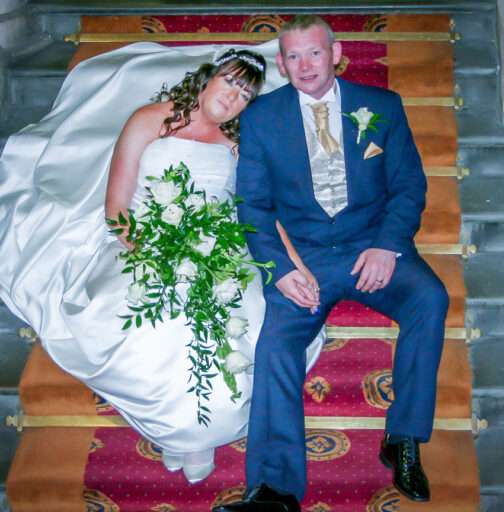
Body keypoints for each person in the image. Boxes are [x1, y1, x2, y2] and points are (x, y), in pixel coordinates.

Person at [0, 46, 324, 484]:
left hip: (221, 248)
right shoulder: (150, 118)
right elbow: (116, 207)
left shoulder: (237, 142)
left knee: (238, 321)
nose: (233, 97)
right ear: (208, 76)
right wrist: (152, 252)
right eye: (230, 82)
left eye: (245, 95)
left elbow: (261, 211)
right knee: (159, 318)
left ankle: (191, 436)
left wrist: (296, 266)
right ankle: (187, 438)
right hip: (143, 244)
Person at [214, 15, 449, 512]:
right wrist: (281, 269)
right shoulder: (262, 118)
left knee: (430, 297)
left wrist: (388, 244)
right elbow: (252, 206)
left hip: (372, 246)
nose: (304, 65)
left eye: (314, 53)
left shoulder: (382, 106)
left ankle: (403, 438)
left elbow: (409, 186)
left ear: (336, 52)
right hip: (306, 256)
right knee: (276, 340)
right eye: (293, 56)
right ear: (281, 62)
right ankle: (275, 489)